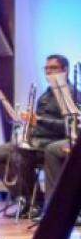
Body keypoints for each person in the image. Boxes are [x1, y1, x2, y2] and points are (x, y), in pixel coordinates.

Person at [30, 56, 79, 207]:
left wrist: (39, 121)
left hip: (56, 139)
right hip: (40, 138)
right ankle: (31, 201)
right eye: (47, 69)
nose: (49, 72)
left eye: (53, 68)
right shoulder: (45, 95)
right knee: (2, 153)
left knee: (51, 150)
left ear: (65, 70)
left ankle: (53, 207)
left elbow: (71, 126)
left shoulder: (73, 94)